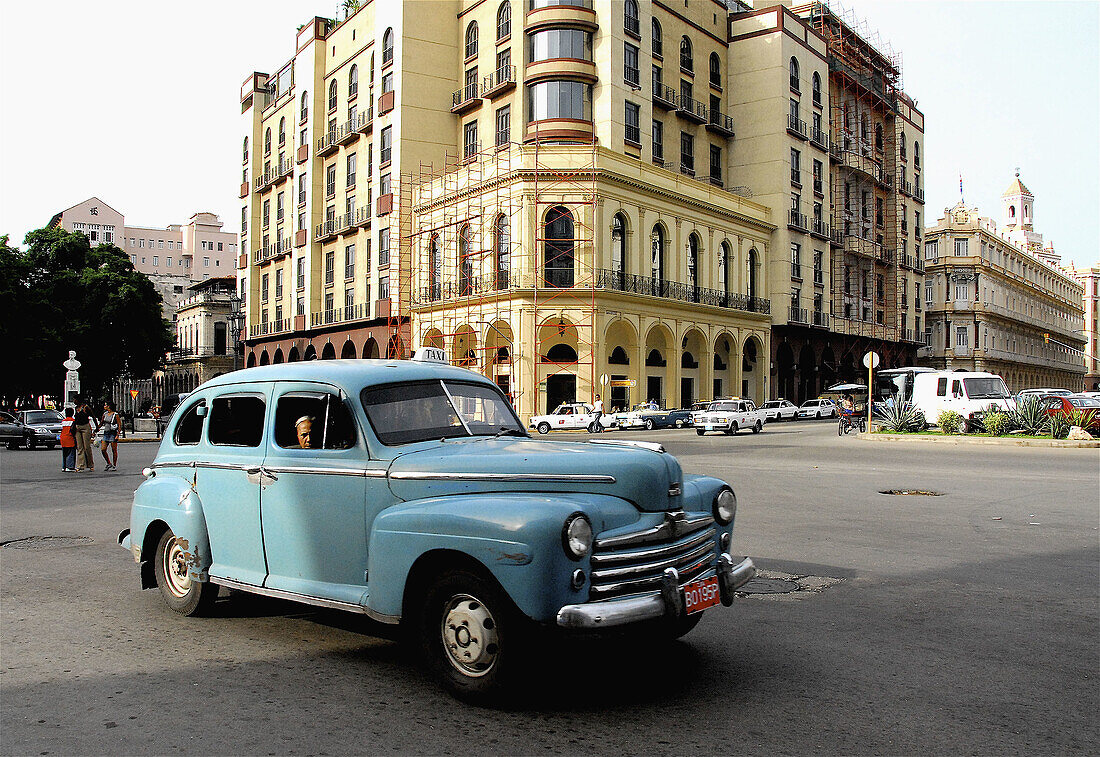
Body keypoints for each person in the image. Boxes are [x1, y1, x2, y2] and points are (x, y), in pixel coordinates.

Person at [73, 399, 98, 472]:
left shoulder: (86, 407)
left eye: (75, 399)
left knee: (87, 447)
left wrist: (97, 427)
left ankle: (90, 465)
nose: (74, 401)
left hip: (85, 427)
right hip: (78, 427)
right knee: (79, 447)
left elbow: (93, 416)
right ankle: (80, 465)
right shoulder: (76, 408)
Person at [100, 401, 122, 471]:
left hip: (113, 433)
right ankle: (108, 463)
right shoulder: (105, 414)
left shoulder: (115, 415)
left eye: (106, 405)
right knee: (103, 449)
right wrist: (96, 429)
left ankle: (114, 464)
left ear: (109, 406)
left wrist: (118, 434)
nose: (104, 406)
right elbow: (101, 423)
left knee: (114, 450)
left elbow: (119, 424)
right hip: (106, 432)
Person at [59, 406, 77, 472]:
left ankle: (64, 466)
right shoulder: (73, 421)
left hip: (63, 438)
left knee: (65, 453)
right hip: (70, 438)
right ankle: (70, 466)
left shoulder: (63, 421)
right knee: (71, 453)